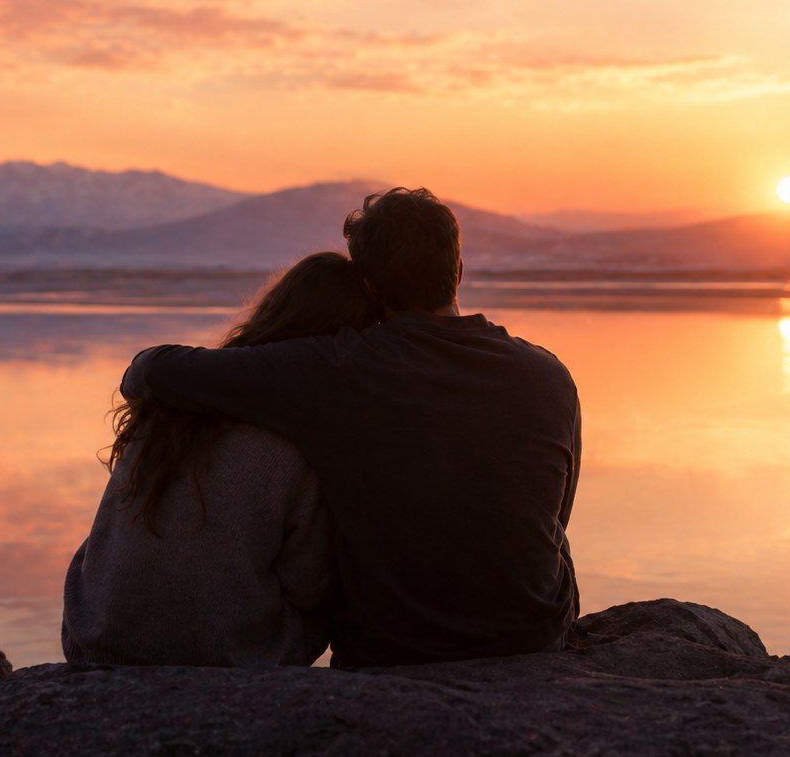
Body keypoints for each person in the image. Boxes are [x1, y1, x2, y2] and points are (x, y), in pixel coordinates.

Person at [118, 187, 581, 668]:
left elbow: (150, 373)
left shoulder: (336, 368)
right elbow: (555, 517)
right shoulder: (548, 375)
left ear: (371, 288)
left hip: (390, 651)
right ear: (458, 271)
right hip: (532, 638)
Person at [62, 251, 381, 666]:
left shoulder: (169, 403)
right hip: (229, 657)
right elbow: (309, 585)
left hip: (95, 640)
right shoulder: (300, 440)